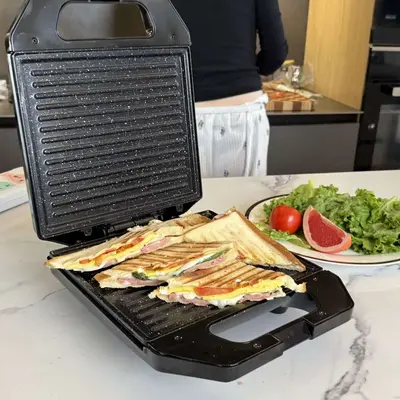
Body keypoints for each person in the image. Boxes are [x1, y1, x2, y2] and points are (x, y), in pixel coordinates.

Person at [171, 0, 288, 178]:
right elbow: (275, 52)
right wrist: (242, 71)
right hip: (241, 112)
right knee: (245, 195)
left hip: (175, 115)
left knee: (176, 197)